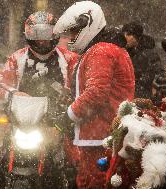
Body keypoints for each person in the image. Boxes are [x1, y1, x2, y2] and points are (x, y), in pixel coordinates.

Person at [0, 11, 78, 188]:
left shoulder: (70, 59)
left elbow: (81, 88)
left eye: (46, 35)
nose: (42, 41)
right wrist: (12, 93)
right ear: (28, 34)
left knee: (73, 163)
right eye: (36, 35)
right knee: (1, 160)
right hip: (22, 123)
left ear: (55, 34)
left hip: (56, 123)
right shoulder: (16, 58)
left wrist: (69, 97)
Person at [53, 1, 135, 188]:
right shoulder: (107, 48)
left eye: (74, 31)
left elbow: (96, 93)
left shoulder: (101, 51)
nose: (72, 37)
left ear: (88, 24)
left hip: (101, 135)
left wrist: (68, 116)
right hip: (104, 134)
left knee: (94, 183)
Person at [122, 22, 164, 104]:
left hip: (144, 98)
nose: (124, 37)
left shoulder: (149, 53)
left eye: (127, 34)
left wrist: (146, 82)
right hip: (128, 98)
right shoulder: (125, 51)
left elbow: (159, 74)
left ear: (135, 37)